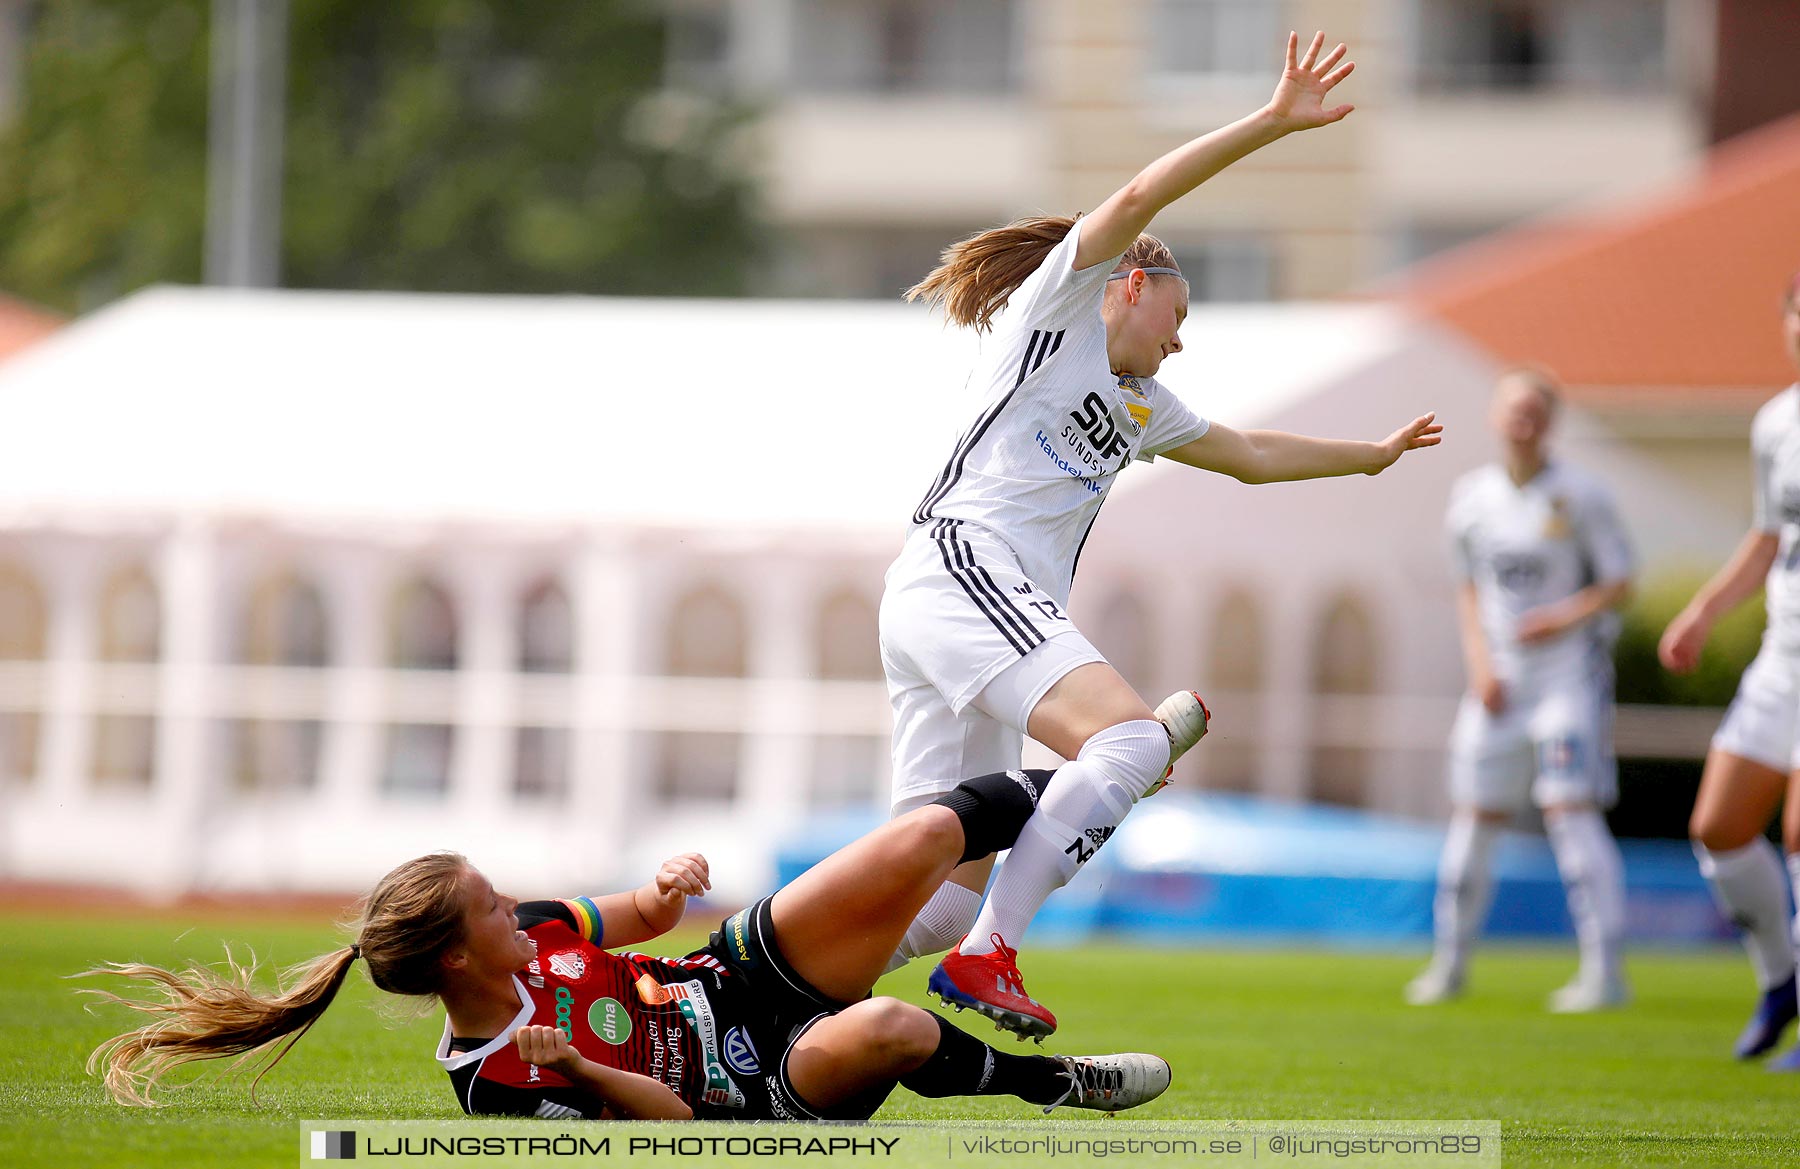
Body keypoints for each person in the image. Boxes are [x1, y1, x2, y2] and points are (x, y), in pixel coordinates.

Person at [881, 30, 1441, 1039]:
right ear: (1130, 286)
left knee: (931, 894)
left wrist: (1368, 455)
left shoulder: (1143, 405)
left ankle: (725, 979)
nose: (1181, 339)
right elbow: (1140, 194)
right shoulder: (1058, 311)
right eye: (1177, 315)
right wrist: (1271, 122)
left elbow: (1252, 453)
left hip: (959, 602)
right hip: (965, 564)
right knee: (1131, 736)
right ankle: (989, 959)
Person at [80, 768, 1169, 1119]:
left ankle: (1108, 769)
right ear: (458, 958)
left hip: (733, 979)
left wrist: (662, 887)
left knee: (924, 832)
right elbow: (677, 1125)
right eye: (493, 908)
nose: (520, 909)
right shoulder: (497, 1082)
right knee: (885, 1026)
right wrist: (584, 1065)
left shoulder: (542, 932)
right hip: (750, 1093)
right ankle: (1056, 1084)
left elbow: (644, 924)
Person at [1405, 368, 1635, 1013]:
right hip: (1499, 684)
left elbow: (1620, 581)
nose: (1522, 420)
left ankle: (1605, 972)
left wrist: (1558, 619)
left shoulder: (1582, 495)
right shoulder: (1472, 496)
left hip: (1567, 681)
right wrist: (1480, 664)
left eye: (1535, 410)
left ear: (1551, 421)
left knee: (1570, 814)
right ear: (1495, 418)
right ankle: (1449, 964)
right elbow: (1468, 588)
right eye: (1513, 409)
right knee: (1473, 820)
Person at [1658, 269, 1800, 1065]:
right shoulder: (1777, 422)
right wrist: (1704, 610)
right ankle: (1782, 980)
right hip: (1783, 654)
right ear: (1785, 320)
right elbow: (1768, 536)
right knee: (1717, 828)